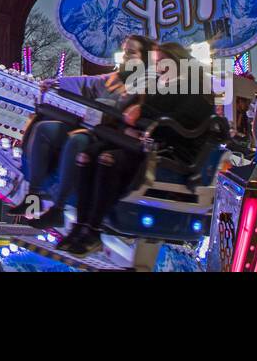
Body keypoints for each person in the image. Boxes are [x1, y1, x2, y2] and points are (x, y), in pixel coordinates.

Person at [58, 41, 215, 255]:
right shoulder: (160, 88)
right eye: (156, 63)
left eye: (162, 63)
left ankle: (93, 230)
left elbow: (177, 125)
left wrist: (146, 126)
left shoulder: (195, 93)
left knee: (108, 159)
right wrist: (135, 122)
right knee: (87, 155)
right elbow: (144, 114)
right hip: (147, 145)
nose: (158, 68)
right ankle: (80, 225)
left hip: (170, 153)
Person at [10, 35, 153, 231]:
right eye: (125, 51)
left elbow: (137, 116)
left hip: (108, 137)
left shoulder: (145, 85)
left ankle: (58, 210)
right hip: (89, 127)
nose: (126, 57)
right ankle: (33, 196)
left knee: (75, 141)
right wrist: (55, 83)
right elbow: (84, 83)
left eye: (132, 52)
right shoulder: (112, 78)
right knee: (43, 129)